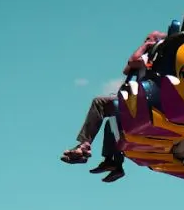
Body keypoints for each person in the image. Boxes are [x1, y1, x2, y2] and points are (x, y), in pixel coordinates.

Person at [61, 31, 166, 181]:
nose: (144, 41)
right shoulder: (149, 57)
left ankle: (85, 145)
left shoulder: (154, 56)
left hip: (146, 99)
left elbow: (132, 60)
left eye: (148, 39)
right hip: (140, 97)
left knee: (100, 103)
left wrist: (145, 46)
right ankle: (113, 163)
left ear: (155, 42)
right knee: (112, 122)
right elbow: (126, 70)